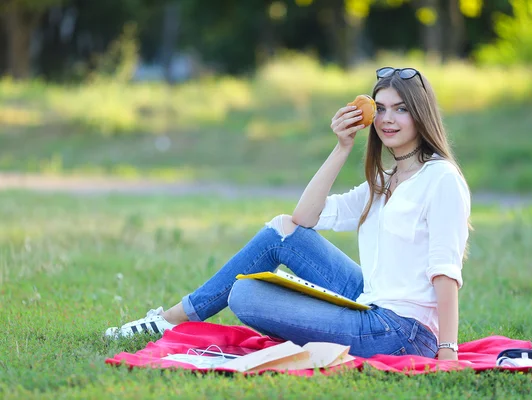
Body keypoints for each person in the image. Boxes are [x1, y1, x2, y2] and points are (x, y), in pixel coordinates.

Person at [105, 67, 471, 361]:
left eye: (401, 109)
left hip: (401, 332)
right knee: (283, 230)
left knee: (245, 295)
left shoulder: (440, 179)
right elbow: (305, 216)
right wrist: (342, 147)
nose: (388, 120)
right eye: (383, 108)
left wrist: (448, 352)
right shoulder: (385, 180)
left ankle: (174, 320)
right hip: (371, 300)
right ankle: (170, 320)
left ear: (421, 114)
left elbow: (445, 272)